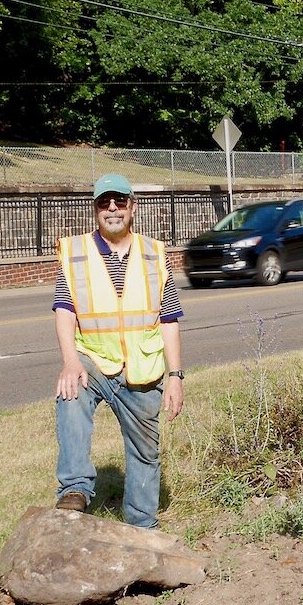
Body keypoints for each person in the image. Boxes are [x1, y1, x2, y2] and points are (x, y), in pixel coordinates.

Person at [52, 174, 185, 528]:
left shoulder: (155, 254)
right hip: (93, 359)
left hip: (142, 369)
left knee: (145, 451)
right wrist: (69, 362)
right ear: (95, 209)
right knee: (71, 392)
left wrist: (175, 376)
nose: (112, 209)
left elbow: (169, 319)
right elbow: (64, 310)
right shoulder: (76, 252)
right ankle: (75, 489)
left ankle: (141, 527)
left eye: (120, 201)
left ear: (132, 207)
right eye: (104, 202)